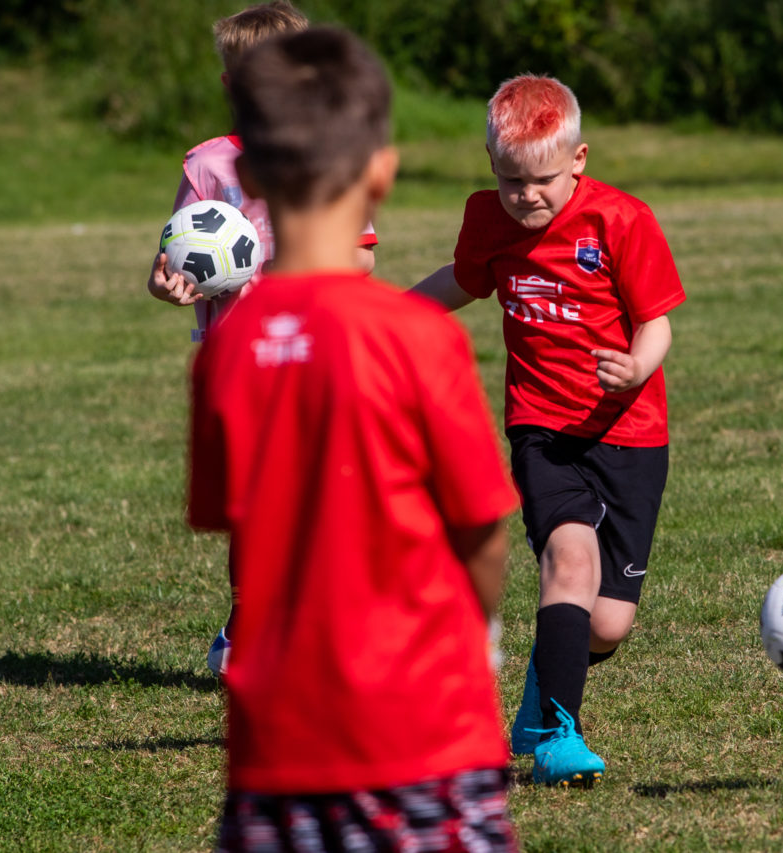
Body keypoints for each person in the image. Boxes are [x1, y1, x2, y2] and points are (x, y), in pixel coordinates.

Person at [187, 27, 519, 852]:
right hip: (427, 738)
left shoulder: (226, 349)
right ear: (383, 173)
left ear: (250, 179)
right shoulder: (417, 337)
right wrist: (479, 632)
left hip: (277, 755)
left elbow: (239, 520)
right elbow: (481, 524)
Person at [412, 74, 686, 788]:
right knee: (569, 560)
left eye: (540, 181)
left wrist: (636, 366)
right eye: (508, 181)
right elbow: (462, 281)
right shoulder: (488, 220)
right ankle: (560, 737)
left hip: (631, 432)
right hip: (543, 429)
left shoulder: (621, 221)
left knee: (609, 624)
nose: (524, 197)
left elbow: (656, 319)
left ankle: (540, 700)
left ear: (579, 160)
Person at [145, 1, 378, 677]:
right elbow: (174, 261)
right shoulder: (209, 165)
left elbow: (361, 259)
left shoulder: (330, 159)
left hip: (318, 355)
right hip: (238, 361)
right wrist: (168, 287)